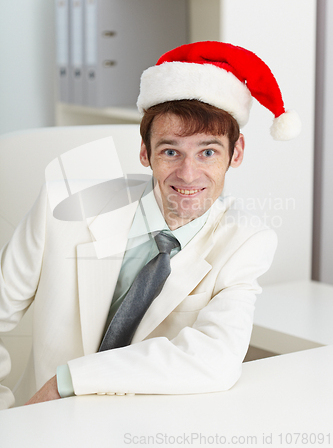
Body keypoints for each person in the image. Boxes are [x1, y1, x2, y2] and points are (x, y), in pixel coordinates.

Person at [0, 41, 301, 409]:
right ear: (145, 153)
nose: (188, 174)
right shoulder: (60, 207)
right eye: (170, 151)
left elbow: (217, 359)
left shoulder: (246, 241)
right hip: (38, 421)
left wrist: (70, 381)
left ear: (235, 154)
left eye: (208, 152)